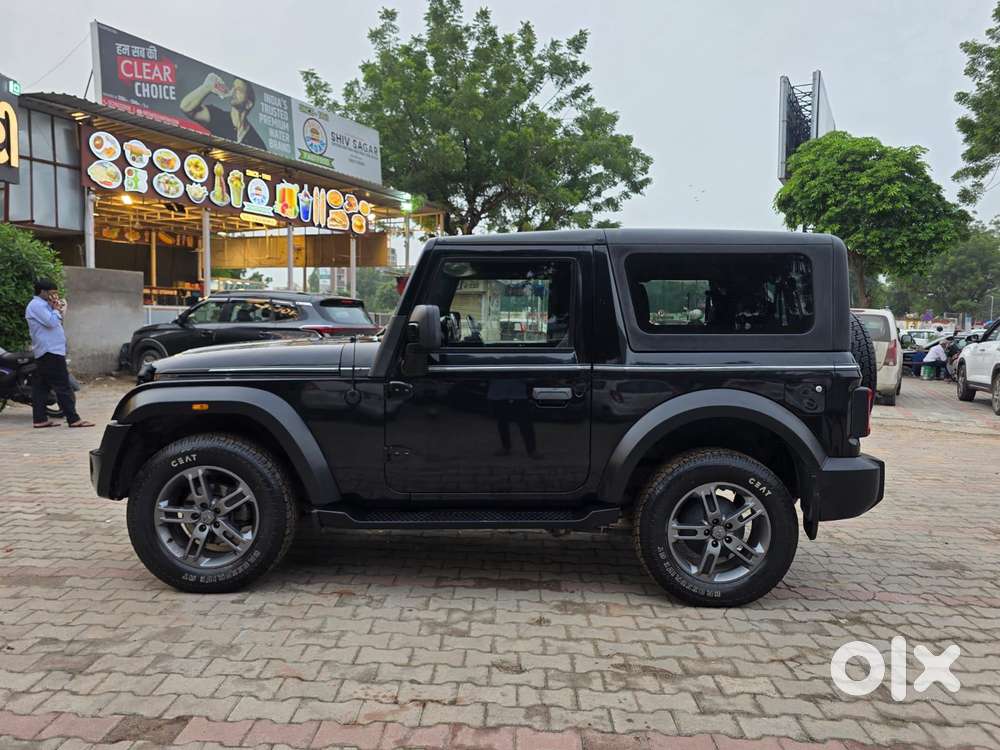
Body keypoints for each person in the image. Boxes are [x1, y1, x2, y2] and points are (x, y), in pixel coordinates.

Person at [24, 279, 93, 428]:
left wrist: (57, 309)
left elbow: (57, 321)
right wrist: (55, 310)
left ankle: (40, 419)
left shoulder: (44, 305)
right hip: (50, 351)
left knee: (41, 387)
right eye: (52, 293)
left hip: (48, 350)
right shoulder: (36, 305)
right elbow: (51, 322)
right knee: (63, 386)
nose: (55, 296)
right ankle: (73, 419)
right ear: (42, 292)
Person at [180, 74, 266, 150]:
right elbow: (186, 107)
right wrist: (207, 87)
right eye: (234, 87)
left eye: (239, 89)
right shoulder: (217, 116)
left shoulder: (256, 141)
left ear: (248, 104)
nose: (233, 90)